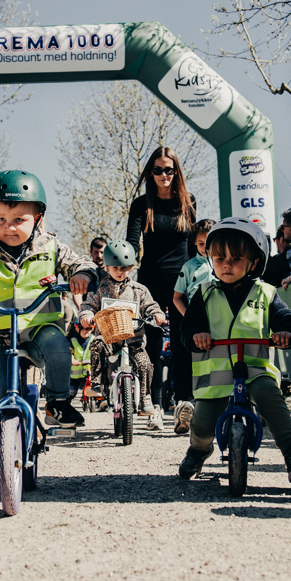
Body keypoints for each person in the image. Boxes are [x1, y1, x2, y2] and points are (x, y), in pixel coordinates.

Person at [0, 171, 95, 477]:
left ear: (37, 217)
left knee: (59, 349)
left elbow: (81, 264)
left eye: (19, 220)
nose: (9, 227)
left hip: (40, 327)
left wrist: (82, 276)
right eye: (0, 220)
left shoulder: (50, 246)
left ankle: (58, 402)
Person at [177, 218, 291, 483]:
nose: (227, 264)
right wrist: (196, 336)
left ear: (254, 262)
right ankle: (198, 450)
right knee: (202, 423)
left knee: (272, 400)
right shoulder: (204, 293)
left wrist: (286, 334)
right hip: (215, 375)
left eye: (236, 259)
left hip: (255, 370)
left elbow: (286, 318)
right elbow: (188, 327)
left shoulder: (265, 292)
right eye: (219, 258)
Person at [125, 147, 197, 424]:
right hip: (151, 282)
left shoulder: (188, 201)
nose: (164, 175)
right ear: (150, 173)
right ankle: (152, 405)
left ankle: (183, 404)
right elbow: (132, 243)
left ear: (176, 171)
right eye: (157, 170)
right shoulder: (142, 204)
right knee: (152, 345)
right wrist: (120, 268)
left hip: (182, 282)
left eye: (169, 169)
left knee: (182, 344)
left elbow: (192, 246)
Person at [78, 240, 166, 430]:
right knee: (97, 346)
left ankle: (145, 397)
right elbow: (88, 306)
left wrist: (157, 314)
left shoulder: (139, 290)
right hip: (109, 337)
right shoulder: (100, 289)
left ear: (132, 267)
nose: (121, 271)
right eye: (116, 267)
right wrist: (86, 316)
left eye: (125, 268)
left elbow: (151, 305)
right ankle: (96, 384)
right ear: (107, 267)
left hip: (133, 338)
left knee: (145, 363)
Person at [170, 218, 215, 433]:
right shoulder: (189, 266)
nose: (206, 247)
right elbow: (177, 297)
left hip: (221, 322)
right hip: (197, 325)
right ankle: (187, 408)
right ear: (194, 244)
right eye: (200, 243)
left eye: (209, 242)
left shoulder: (227, 263)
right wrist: (189, 317)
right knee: (193, 364)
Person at [67, 315, 98, 404]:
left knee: (94, 385)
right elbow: (70, 353)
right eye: (83, 328)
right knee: (72, 391)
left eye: (88, 328)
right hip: (76, 372)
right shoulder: (73, 340)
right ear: (77, 329)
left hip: (89, 370)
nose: (86, 331)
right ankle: (68, 402)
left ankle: (96, 399)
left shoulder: (94, 339)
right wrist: (72, 360)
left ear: (92, 329)